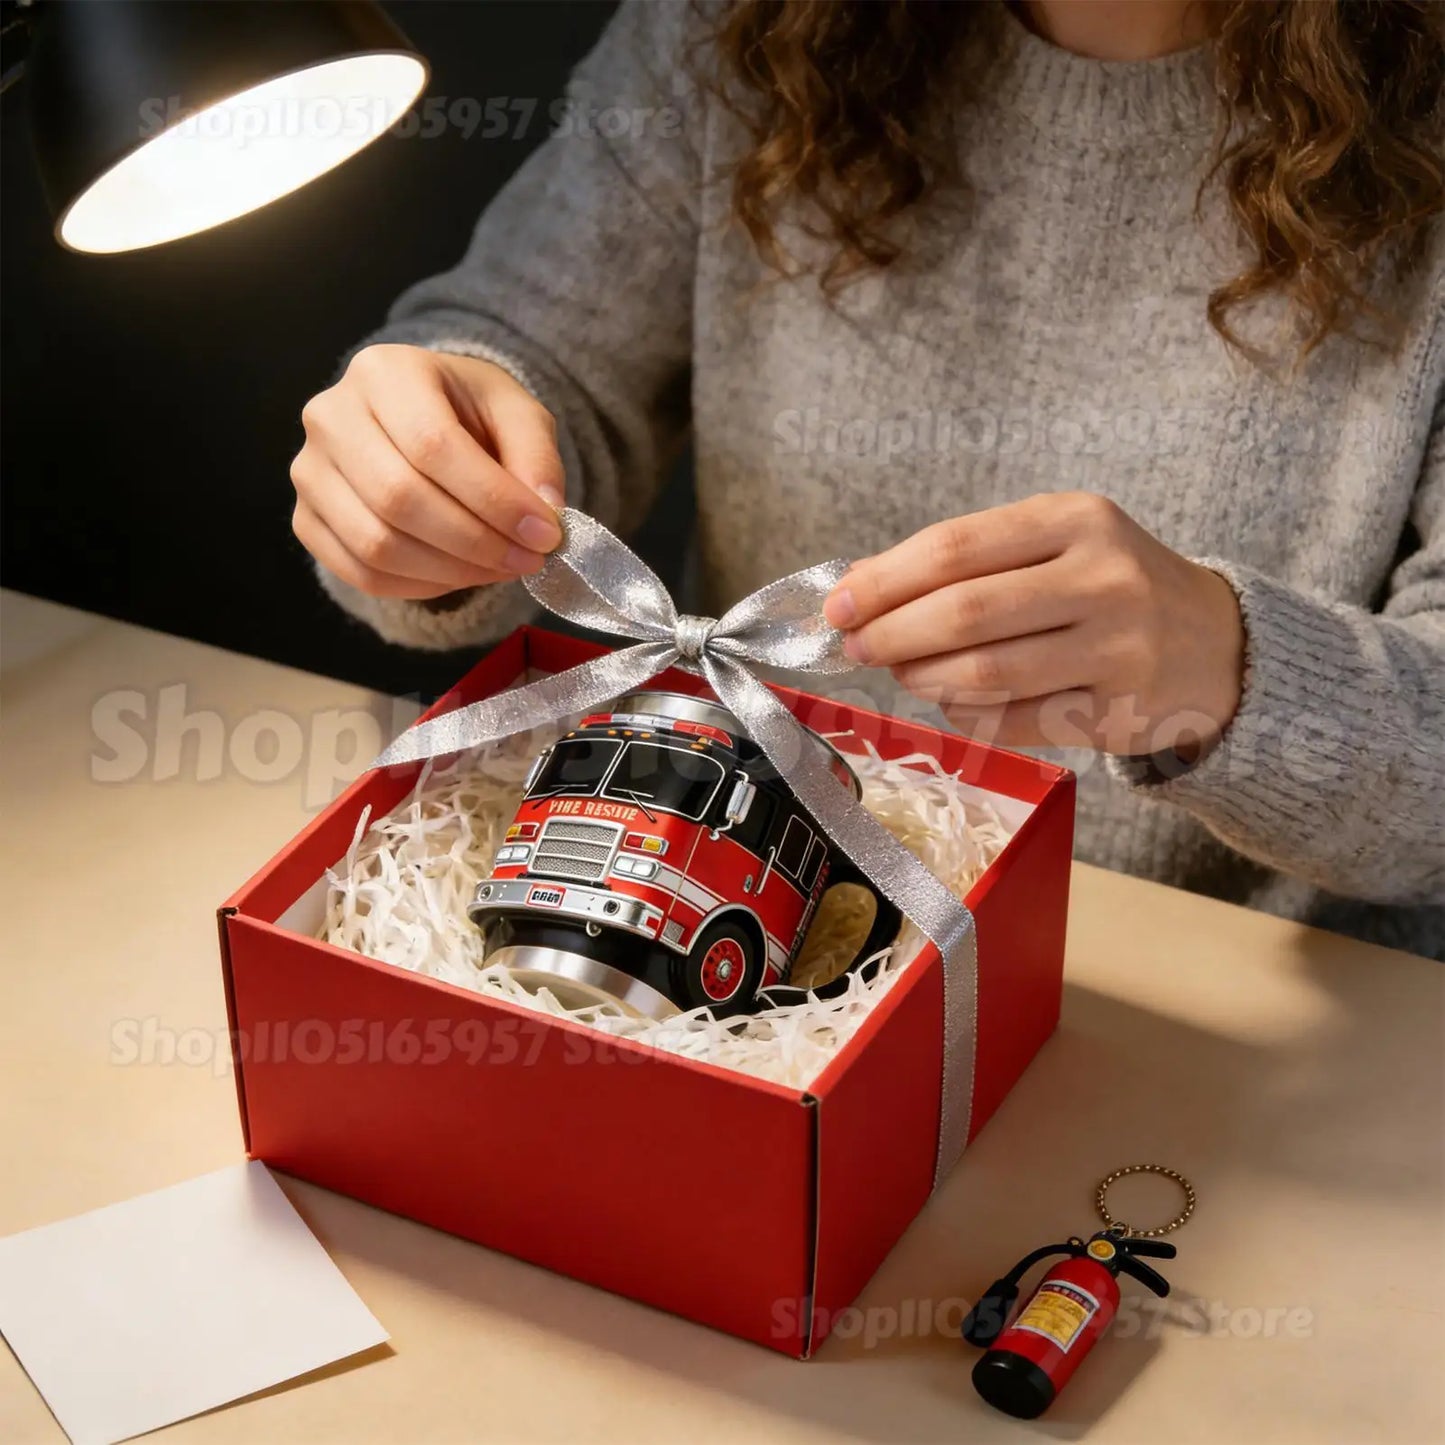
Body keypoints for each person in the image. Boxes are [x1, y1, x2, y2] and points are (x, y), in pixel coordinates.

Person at [289, 0, 1445, 958]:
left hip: (1238, 1038)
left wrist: (1228, 674)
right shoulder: (731, 27)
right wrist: (429, 468)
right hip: (734, 953)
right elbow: (528, 349)